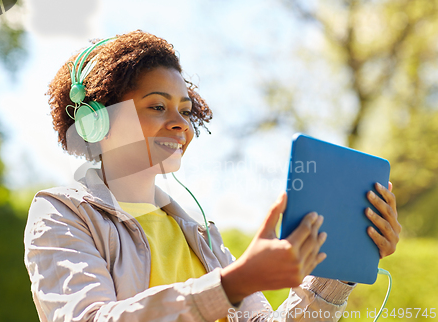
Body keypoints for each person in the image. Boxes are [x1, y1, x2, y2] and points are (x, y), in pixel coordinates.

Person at [23, 30, 401, 322]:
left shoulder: (203, 237)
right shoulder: (62, 214)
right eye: (157, 106)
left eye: (185, 111)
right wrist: (232, 283)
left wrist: (343, 264)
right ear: (96, 121)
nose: (180, 125)